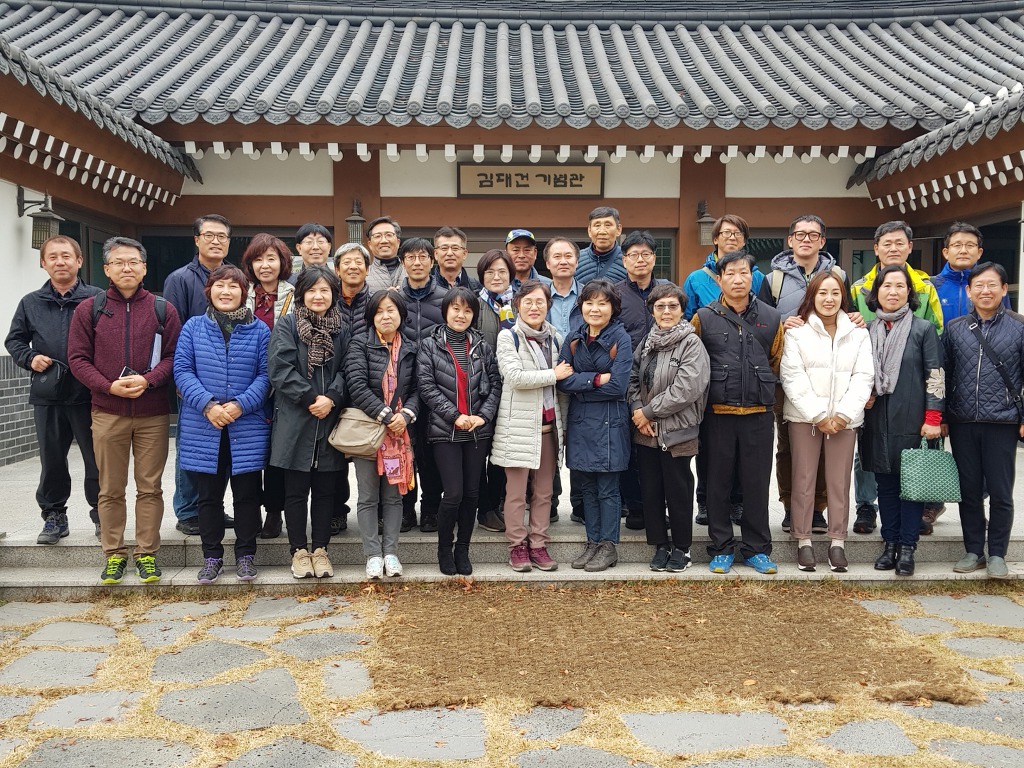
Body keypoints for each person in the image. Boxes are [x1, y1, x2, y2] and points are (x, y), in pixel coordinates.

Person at [68, 237, 181, 585]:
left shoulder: (163, 309)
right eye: (118, 262)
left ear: (144, 268)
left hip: (152, 413)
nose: (126, 268)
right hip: (107, 411)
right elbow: (77, 359)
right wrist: (107, 386)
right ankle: (114, 554)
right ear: (106, 269)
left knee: (150, 487)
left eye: (133, 261)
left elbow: (174, 357)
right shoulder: (89, 309)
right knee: (110, 488)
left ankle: (146, 553)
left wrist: (149, 380)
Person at [174, 265, 271, 583]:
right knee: (208, 497)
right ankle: (212, 557)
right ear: (209, 290)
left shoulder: (260, 331)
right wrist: (208, 405)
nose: (226, 291)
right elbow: (182, 371)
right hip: (205, 425)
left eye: (233, 286)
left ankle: (245, 556)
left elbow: (266, 376)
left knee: (247, 495)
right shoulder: (193, 328)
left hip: (247, 426)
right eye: (220, 285)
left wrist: (241, 405)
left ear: (244, 292)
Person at [692, 249, 783, 575]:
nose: (737, 279)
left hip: (758, 413)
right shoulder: (703, 317)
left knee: (756, 484)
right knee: (717, 483)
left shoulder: (772, 317)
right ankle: (721, 548)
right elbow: (695, 362)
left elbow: (775, 361)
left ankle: (757, 548)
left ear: (752, 277)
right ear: (719, 279)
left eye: (744, 272)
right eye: (730, 273)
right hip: (718, 413)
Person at [6, 235, 102, 544]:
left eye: (66, 256)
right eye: (53, 257)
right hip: (49, 395)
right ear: (43, 263)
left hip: (90, 394)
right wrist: (29, 357)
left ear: (79, 261)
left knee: (98, 460)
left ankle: (102, 514)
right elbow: (14, 340)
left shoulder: (97, 299)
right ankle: (54, 516)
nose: (60, 262)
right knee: (52, 461)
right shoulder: (31, 302)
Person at [850, 221, 943, 536]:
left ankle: (913, 522)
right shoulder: (859, 292)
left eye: (899, 242)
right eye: (886, 243)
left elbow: (935, 348)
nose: (893, 248)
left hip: (911, 394)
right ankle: (868, 508)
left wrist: (934, 413)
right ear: (875, 248)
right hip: (874, 399)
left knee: (913, 463)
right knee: (872, 461)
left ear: (910, 247)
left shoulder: (925, 290)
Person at [758, 215, 850, 534]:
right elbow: (761, 322)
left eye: (813, 235)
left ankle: (818, 508)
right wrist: (782, 322)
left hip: (830, 374)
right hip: (788, 376)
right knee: (788, 446)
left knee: (826, 442)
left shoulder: (838, 275)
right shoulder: (772, 280)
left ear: (823, 241)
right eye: (800, 234)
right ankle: (790, 505)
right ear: (790, 240)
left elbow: (848, 315)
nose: (806, 239)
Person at [780, 271, 873, 573]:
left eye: (835, 293)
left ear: (843, 297)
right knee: (803, 478)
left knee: (839, 480)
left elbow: (864, 376)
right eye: (822, 293)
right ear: (812, 296)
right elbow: (792, 376)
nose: (829, 299)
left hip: (845, 419)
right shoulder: (797, 332)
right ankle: (803, 540)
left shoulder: (858, 333)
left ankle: (837, 542)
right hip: (805, 417)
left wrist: (844, 414)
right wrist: (819, 415)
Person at [861, 265, 944, 577]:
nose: (893, 292)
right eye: (886, 285)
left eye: (899, 286)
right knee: (885, 485)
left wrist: (933, 417)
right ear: (877, 292)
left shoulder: (923, 329)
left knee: (911, 487)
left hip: (913, 421)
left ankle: (908, 547)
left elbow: (935, 375)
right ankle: (890, 544)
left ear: (909, 292)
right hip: (876, 420)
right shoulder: (867, 330)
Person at [943, 262, 1024, 579]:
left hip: (1002, 422)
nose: (985, 291)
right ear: (969, 291)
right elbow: (945, 376)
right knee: (970, 491)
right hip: (962, 421)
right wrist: (943, 415)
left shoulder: (1019, 327)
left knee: (1001, 493)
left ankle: (998, 554)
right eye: (979, 285)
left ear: (1004, 289)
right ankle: (974, 551)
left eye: (992, 285)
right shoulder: (955, 329)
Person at [267, 265, 349, 580]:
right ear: (301, 293)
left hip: (329, 419)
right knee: (296, 491)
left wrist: (333, 397)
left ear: (334, 295)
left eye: (324, 290)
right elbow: (280, 369)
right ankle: (299, 551)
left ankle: (321, 550)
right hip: (296, 419)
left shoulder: (342, 329)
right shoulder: (287, 325)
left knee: (326, 491)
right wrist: (312, 398)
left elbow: (349, 369)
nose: (318, 296)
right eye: (312, 290)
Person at [683, 214, 761, 527]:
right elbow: (687, 323)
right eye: (725, 233)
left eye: (737, 233)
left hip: (747, 373)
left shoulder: (758, 277)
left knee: (742, 449)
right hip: (710, 373)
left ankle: (738, 502)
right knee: (709, 445)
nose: (731, 237)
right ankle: (705, 501)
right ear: (715, 239)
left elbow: (764, 319)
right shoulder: (696, 278)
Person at [417, 286, 501, 576]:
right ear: (446, 311)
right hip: (445, 430)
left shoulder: (482, 346)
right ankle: (444, 548)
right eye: (456, 309)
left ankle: (463, 548)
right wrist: (455, 416)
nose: (461, 315)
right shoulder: (430, 345)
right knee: (452, 493)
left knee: (472, 494)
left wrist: (483, 416)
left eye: (467, 310)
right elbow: (426, 387)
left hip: (477, 430)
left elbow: (495, 384)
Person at [628, 283, 709, 572]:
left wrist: (648, 412)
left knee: (678, 491)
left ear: (682, 310)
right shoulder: (647, 342)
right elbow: (633, 378)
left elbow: (687, 388)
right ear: (652, 310)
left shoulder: (691, 343)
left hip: (678, 431)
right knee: (651, 490)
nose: (666, 311)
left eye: (672, 306)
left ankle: (682, 548)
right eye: (660, 306)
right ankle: (660, 545)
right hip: (646, 431)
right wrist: (637, 410)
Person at [493, 279, 569, 572]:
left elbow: (562, 390)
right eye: (528, 302)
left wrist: (564, 426)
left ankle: (538, 544)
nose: (534, 307)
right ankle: (517, 546)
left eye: (540, 302)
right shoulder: (508, 338)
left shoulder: (556, 338)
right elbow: (515, 377)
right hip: (518, 428)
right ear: (517, 306)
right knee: (515, 493)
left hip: (549, 428)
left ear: (548, 305)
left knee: (544, 492)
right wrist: (553, 374)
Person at [558, 279, 632, 572]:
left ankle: (608, 546)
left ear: (613, 308)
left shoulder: (620, 338)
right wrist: (595, 378)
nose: (595, 309)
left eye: (602, 303)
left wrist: (581, 384)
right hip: (581, 422)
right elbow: (562, 381)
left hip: (610, 422)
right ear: (581, 306)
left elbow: (619, 386)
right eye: (589, 302)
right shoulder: (573, 338)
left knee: (608, 489)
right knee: (587, 487)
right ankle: (592, 542)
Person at [165, 214, 231, 537]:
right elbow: (172, 330)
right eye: (209, 235)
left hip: (229, 378)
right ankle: (188, 510)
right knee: (192, 447)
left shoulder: (233, 277)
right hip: (193, 379)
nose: (216, 241)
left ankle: (213, 506)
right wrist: (180, 379)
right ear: (197, 239)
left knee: (223, 449)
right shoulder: (179, 279)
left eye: (222, 236)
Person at [345, 290, 419, 579]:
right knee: (367, 497)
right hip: (369, 432)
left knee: (393, 497)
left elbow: (418, 388)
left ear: (401, 314)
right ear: (371, 316)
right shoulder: (359, 343)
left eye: (391, 310)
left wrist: (406, 415)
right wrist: (387, 416)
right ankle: (373, 554)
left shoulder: (411, 348)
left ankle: (391, 553)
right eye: (379, 311)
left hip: (399, 436)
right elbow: (356, 385)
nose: (386, 316)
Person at [241, 233, 294, 540]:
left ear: (282, 262)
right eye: (258, 259)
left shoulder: (295, 295)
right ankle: (250, 511)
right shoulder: (240, 293)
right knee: (249, 451)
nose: (265, 265)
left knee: (276, 452)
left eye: (271, 258)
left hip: (283, 386)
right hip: (246, 383)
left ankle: (274, 511)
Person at [616, 229, 667, 531]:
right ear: (624, 260)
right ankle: (635, 507)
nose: (640, 260)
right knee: (630, 449)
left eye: (645, 254)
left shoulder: (667, 293)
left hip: (664, 383)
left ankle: (658, 508)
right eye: (633, 255)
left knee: (660, 448)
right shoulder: (615, 294)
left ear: (654, 258)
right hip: (627, 382)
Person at [398, 237, 448, 533]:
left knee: (432, 453)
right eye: (411, 257)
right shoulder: (393, 299)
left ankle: (430, 509)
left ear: (432, 261)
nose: (417, 262)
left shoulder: (446, 298)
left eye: (423, 257)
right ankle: (405, 509)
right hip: (401, 387)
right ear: (403, 262)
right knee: (404, 449)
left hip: (437, 386)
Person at [473, 248, 517, 533]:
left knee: (503, 451)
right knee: (480, 451)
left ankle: (497, 504)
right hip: (481, 390)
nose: (496, 277)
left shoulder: (520, 303)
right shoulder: (474, 305)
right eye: (490, 272)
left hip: (514, 390)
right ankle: (485, 507)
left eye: (502, 271)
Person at [543, 236, 583, 521]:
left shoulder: (589, 295)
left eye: (568, 256)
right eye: (556, 256)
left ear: (577, 261)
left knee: (580, 439)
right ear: (547, 263)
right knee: (550, 440)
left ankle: (580, 503)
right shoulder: (538, 295)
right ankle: (550, 501)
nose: (563, 261)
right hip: (545, 379)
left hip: (582, 380)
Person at [931, 222, 1008, 322]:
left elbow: (1007, 324)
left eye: (970, 245)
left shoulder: (993, 287)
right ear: (946, 252)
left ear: (979, 252)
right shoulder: (931, 286)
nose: (963, 251)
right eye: (957, 245)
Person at [576, 207, 627, 284]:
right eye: (597, 225)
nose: (602, 231)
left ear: (618, 229)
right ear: (589, 230)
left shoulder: (628, 259)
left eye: (608, 225)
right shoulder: (576, 259)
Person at [365, 216, 405, 294]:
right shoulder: (363, 275)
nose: (384, 241)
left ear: (398, 242)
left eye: (389, 235)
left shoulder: (412, 272)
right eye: (377, 236)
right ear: (370, 244)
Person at [432, 226, 481, 291]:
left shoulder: (477, 289)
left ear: (464, 254)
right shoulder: (426, 288)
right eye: (444, 248)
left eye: (455, 248)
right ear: (436, 254)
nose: (449, 253)